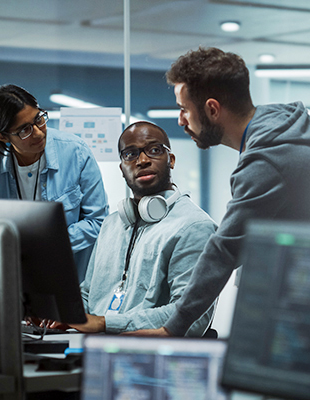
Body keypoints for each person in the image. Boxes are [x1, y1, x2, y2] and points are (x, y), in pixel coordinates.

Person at [131, 47, 310, 337]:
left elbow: (225, 249)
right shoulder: (279, 124)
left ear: (212, 109)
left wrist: (172, 328)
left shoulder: (267, 157)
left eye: (184, 109)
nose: (181, 120)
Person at [47, 121, 217, 336]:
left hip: (145, 354)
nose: (143, 160)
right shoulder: (111, 224)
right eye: (130, 154)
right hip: (93, 344)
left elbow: (192, 318)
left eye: (154, 151)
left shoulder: (194, 227)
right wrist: (64, 314)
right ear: (121, 168)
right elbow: (89, 294)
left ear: (171, 160)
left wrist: (103, 323)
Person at [0, 84, 109, 280]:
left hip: (72, 278)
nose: (38, 132)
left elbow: (98, 221)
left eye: (39, 119)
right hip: (14, 279)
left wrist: (46, 243)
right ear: (3, 137)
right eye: (24, 130)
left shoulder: (75, 152)